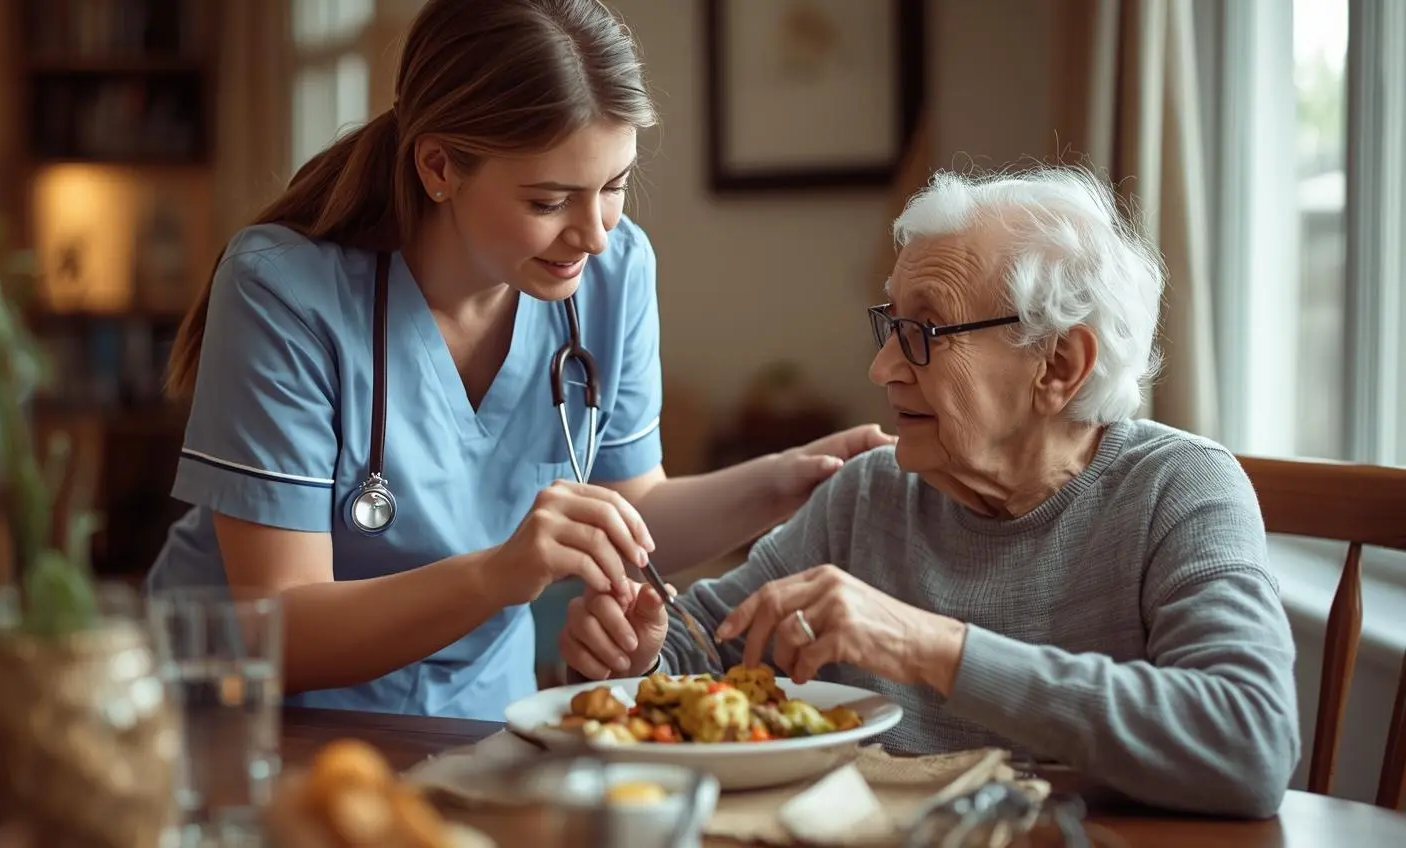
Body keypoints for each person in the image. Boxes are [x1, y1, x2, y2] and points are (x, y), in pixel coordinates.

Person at [145, 0, 893, 722]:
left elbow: (629, 511)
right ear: (438, 165)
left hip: (482, 725)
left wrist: (794, 483)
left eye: (615, 187)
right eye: (550, 201)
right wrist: (500, 573)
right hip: (264, 725)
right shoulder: (283, 288)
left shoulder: (613, 271)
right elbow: (273, 621)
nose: (595, 234)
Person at [558, 166, 1302, 819]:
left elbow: (1249, 742)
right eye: (892, 324)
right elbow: (702, 651)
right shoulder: (871, 493)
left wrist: (928, 645)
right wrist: (640, 654)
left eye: (927, 332)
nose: (882, 369)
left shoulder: (1179, 490)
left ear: (1060, 364)